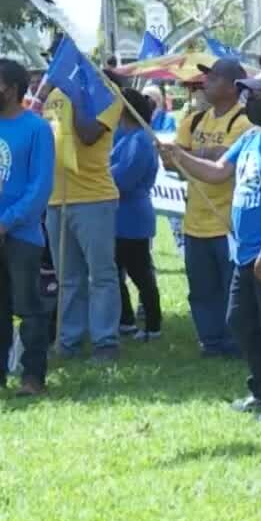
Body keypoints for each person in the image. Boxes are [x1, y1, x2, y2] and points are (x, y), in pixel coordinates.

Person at [166, 70, 261, 421]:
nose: (248, 102)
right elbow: (217, 171)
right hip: (246, 254)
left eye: (257, 96)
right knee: (241, 321)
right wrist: (180, 157)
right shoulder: (250, 139)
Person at [35, 46, 125, 361]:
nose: (53, 64)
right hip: (57, 197)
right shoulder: (53, 93)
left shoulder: (108, 93)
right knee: (68, 277)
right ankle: (69, 339)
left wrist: (74, 94)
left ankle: (105, 341)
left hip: (94, 197)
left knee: (100, 273)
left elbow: (88, 134)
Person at [0, 59, 56, 395]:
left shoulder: (36, 128)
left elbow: (40, 187)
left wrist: (5, 223)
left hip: (21, 235)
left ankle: (32, 377)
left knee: (28, 307)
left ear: (12, 89)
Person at [172, 59, 250, 357]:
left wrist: (190, 155)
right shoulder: (194, 120)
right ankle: (211, 341)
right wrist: (201, 155)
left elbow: (225, 165)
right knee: (201, 290)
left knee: (232, 289)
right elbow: (175, 163)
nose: (205, 81)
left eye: (214, 77)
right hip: (194, 222)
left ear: (233, 87)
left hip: (226, 222)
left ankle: (237, 342)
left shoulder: (243, 122)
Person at [112, 89, 162, 342]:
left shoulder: (140, 139)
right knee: (115, 272)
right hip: (119, 216)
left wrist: (100, 177)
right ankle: (126, 321)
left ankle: (153, 325)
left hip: (132, 216)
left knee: (140, 273)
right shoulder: (126, 136)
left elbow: (125, 178)